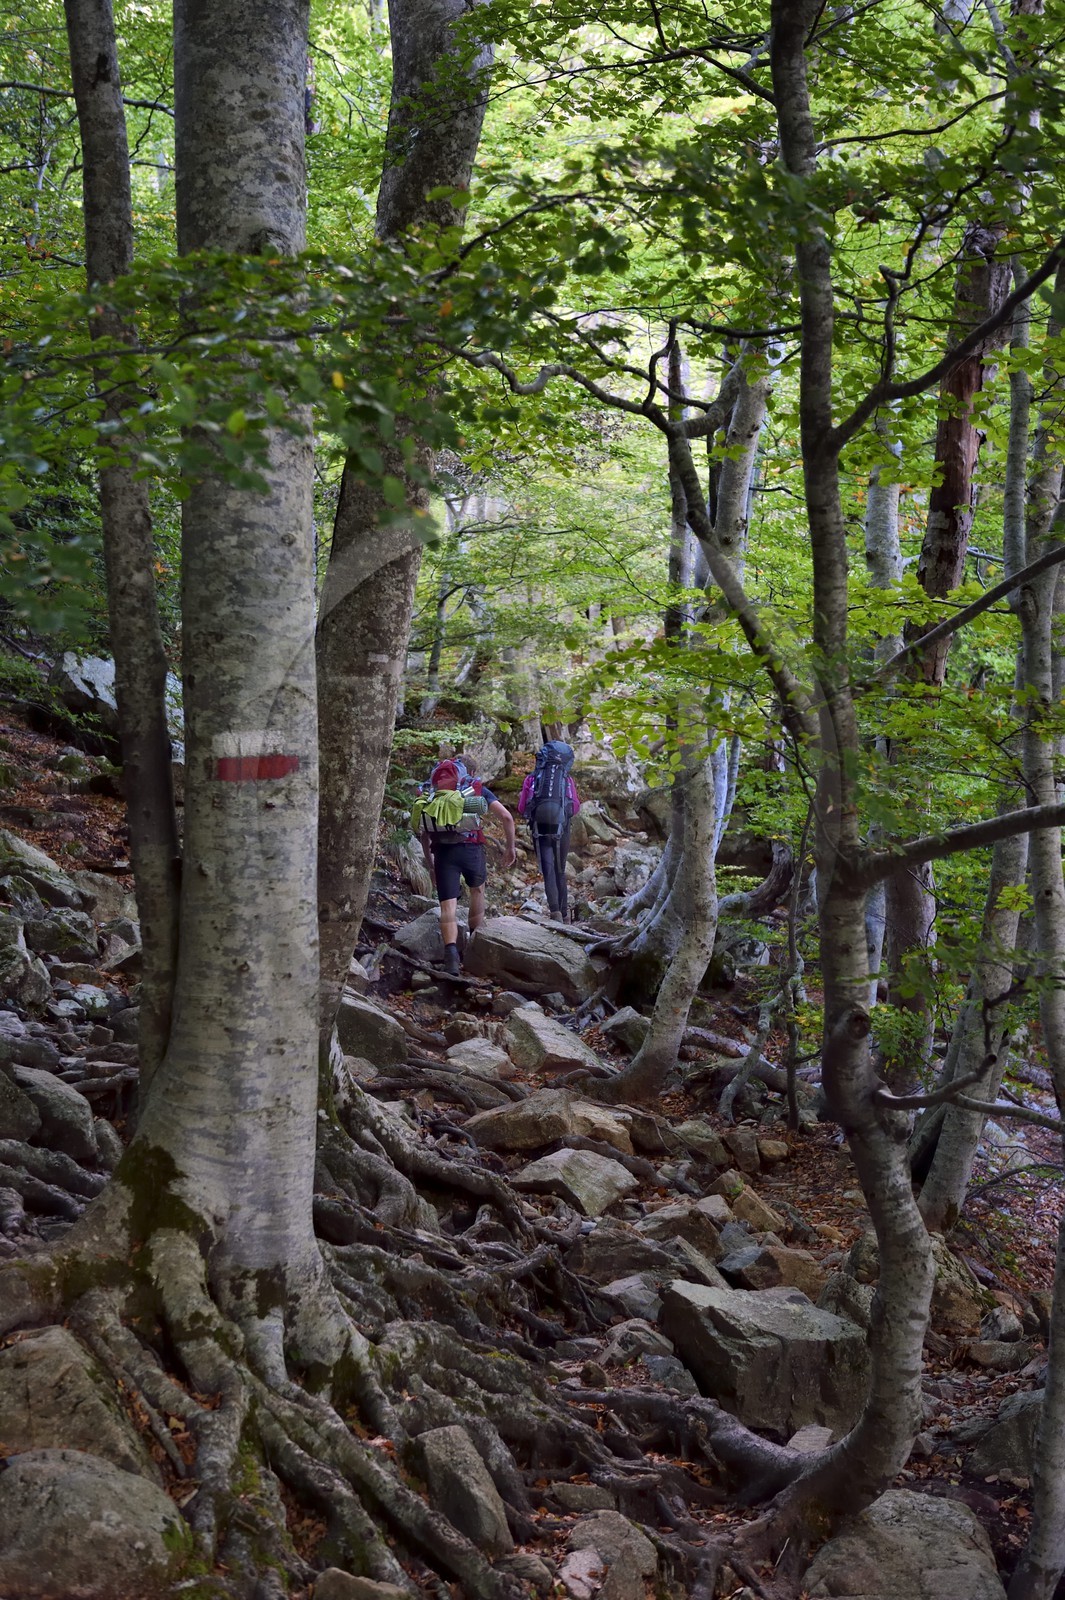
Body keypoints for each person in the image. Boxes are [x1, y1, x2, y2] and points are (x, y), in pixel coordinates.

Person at [416, 758, 516, 975]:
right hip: (471, 849)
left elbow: (424, 834)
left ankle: (451, 958)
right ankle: (474, 947)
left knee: (447, 907)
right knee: (477, 891)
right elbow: (507, 817)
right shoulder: (476, 789)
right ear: (470, 772)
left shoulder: (434, 792)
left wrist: (431, 865)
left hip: (442, 852)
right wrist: (510, 848)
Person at [518, 740, 580, 922]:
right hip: (562, 829)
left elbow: (522, 807)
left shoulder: (531, 779)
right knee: (560, 870)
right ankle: (566, 914)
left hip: (540, 830)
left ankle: (555, 913)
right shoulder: (566, 779)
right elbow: (575, 807)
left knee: (548, 871)